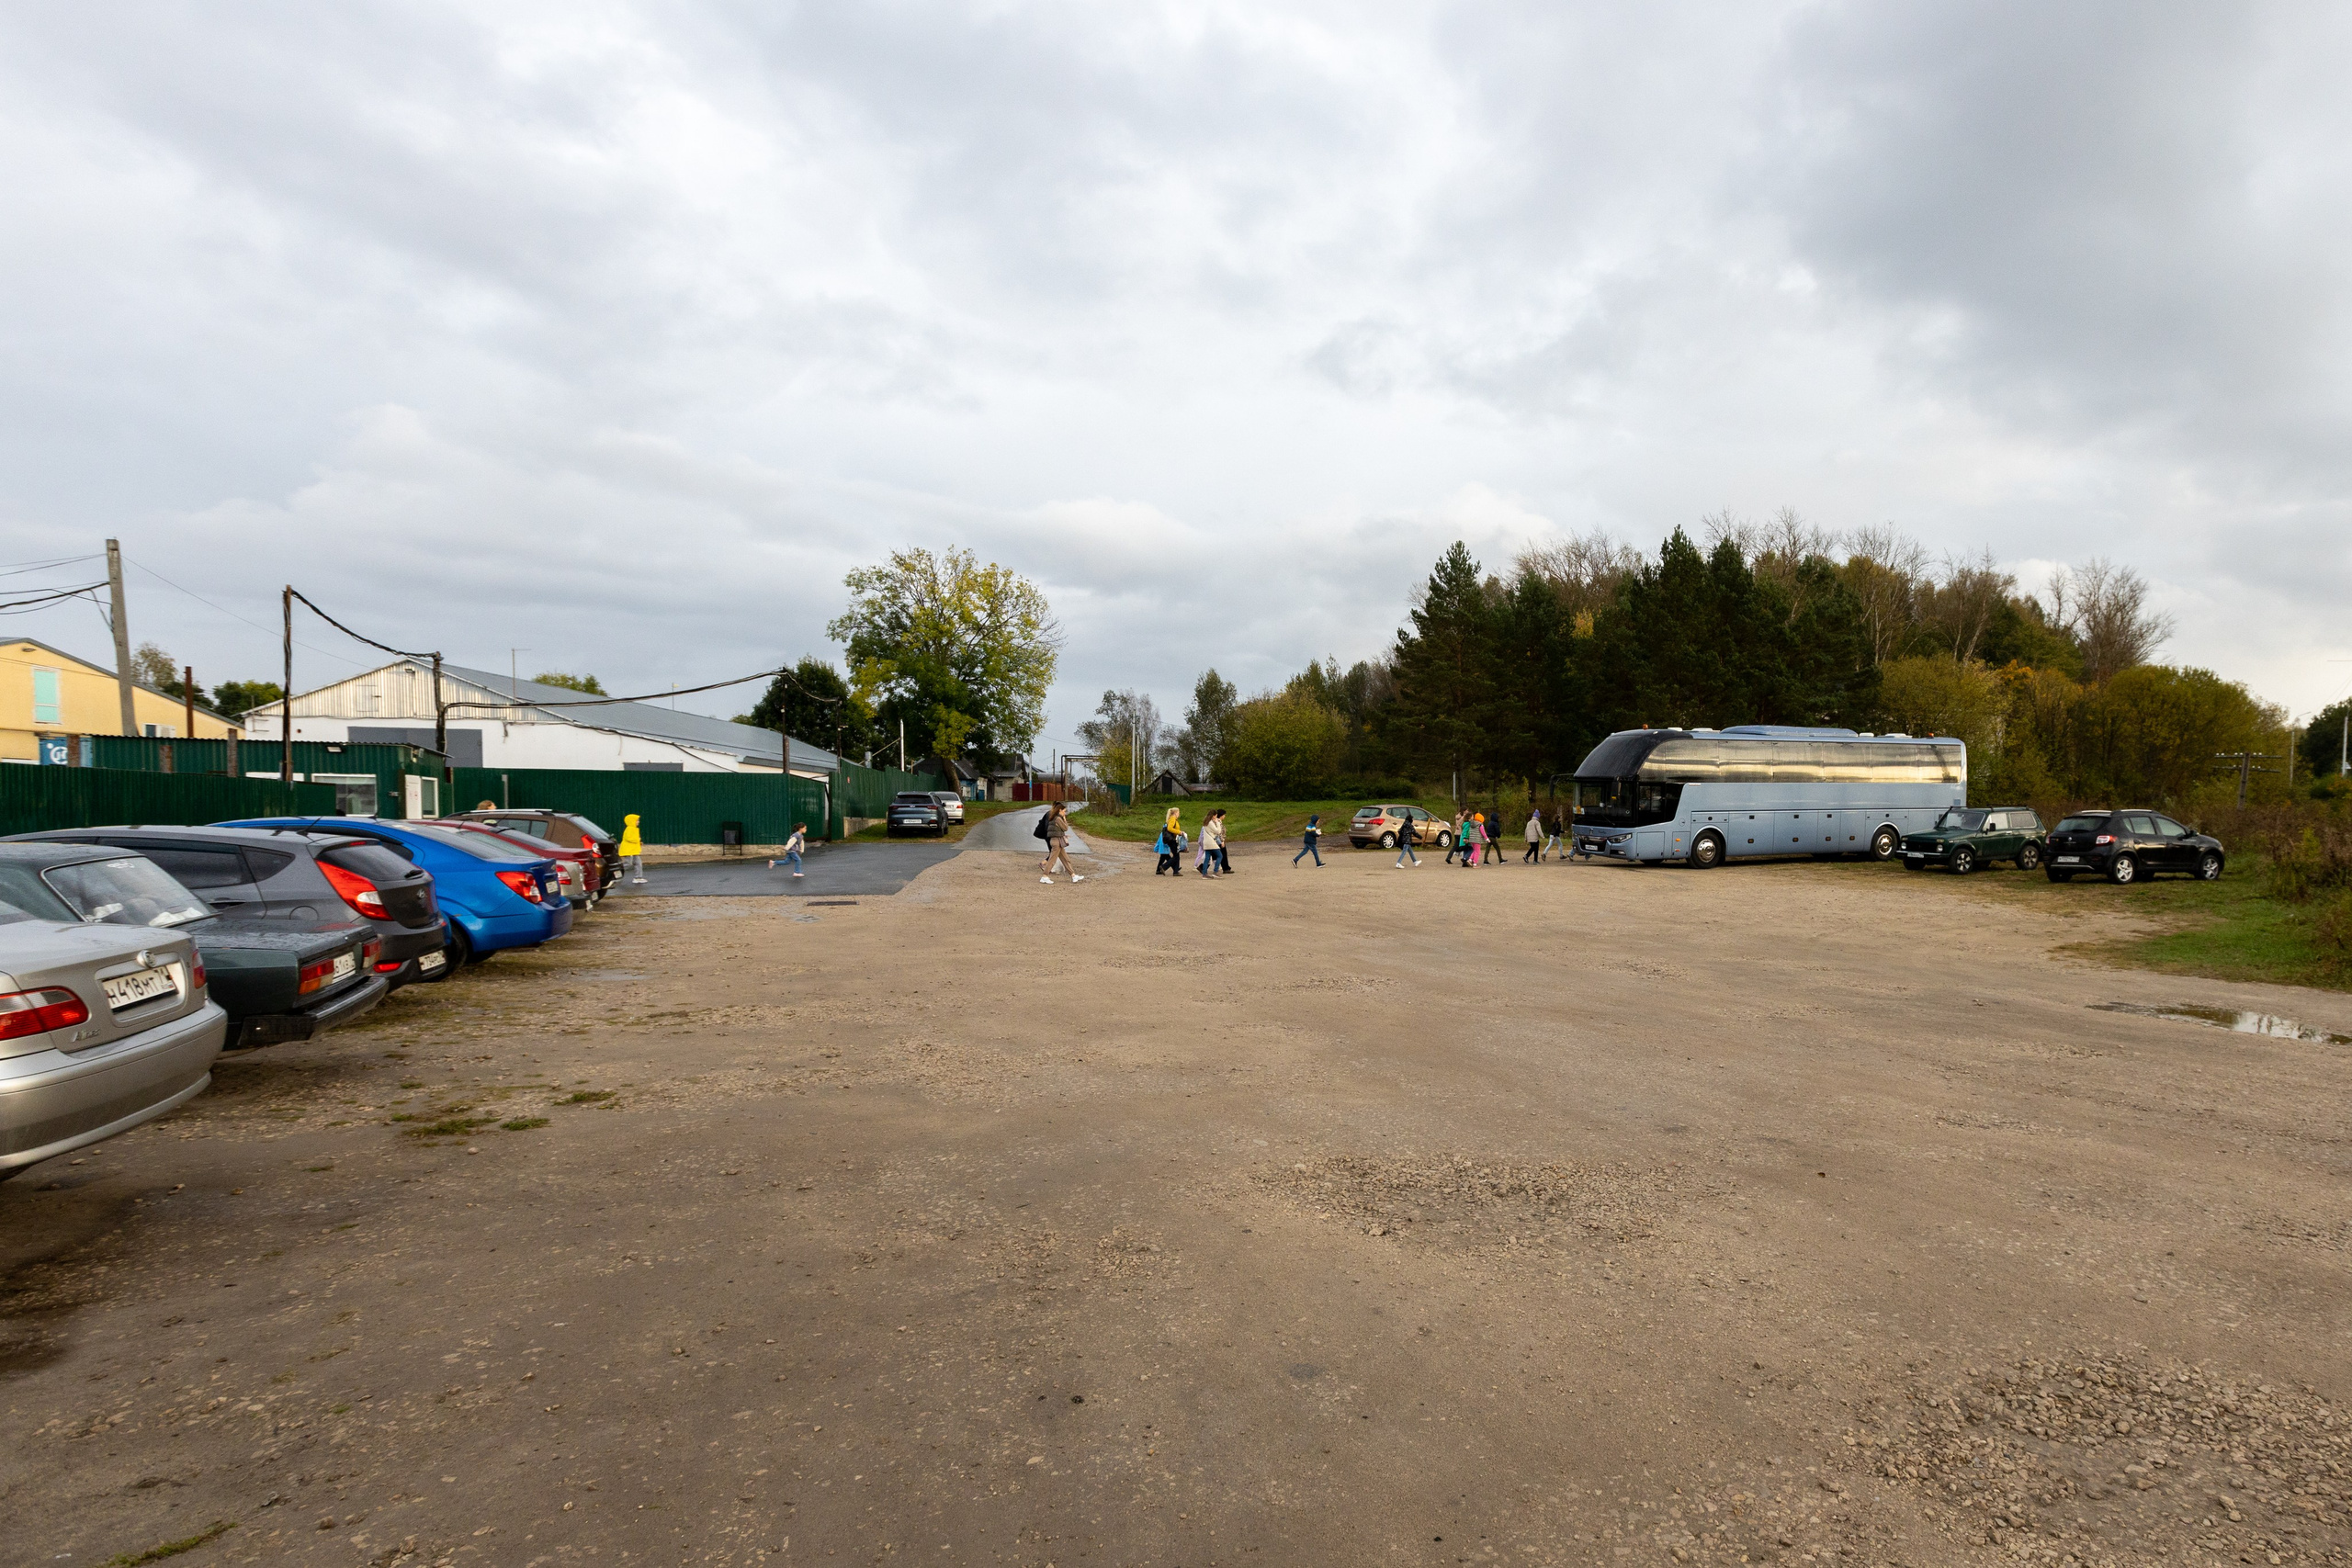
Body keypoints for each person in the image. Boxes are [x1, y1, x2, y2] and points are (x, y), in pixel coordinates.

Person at [1040, 802, 1082, 884]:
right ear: (1060, 810)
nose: (1064, 813)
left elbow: (1057, 830)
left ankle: (1073, 875)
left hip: (1058, 841)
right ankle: (1044, 876)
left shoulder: (1053, 817)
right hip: (1056, 842)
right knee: (1052, 860)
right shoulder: (1058, 819)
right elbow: (1065, 828)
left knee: (1065, 859)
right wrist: (1065, 819)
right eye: (1064, 811)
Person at [618, 812, 645, 884]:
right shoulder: (630, 829)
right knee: (628, 863)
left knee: (638, 863)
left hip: (633, 850)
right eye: (637, 820)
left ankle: (638, 877)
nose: (638, 822)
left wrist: (639, 842)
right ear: (632, 821)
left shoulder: (634, 829)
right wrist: (638, 840)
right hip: (628, 850)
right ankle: (616, 871)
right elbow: (629, 838)